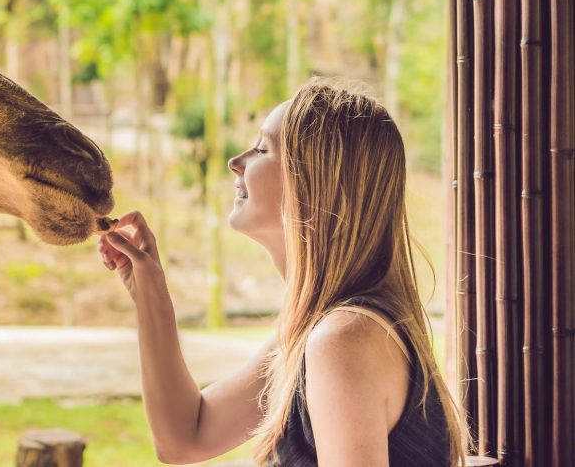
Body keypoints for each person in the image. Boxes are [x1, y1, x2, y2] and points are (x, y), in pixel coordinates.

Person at [98, 79, 467, 466]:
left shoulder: (343, 340)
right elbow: (185, 437)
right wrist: (151, 292)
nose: (235, 162)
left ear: (318, 183)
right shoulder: (324, 331)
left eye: (262, 149)